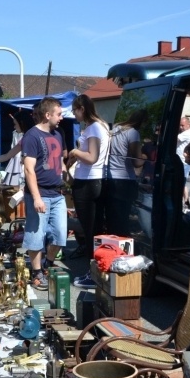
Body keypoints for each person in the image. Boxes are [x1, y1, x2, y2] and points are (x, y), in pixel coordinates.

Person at [21, 97, 68, 291]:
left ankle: (47, 263)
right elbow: (29, 169)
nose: (61, 117)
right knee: (36, 236)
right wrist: (36, 198)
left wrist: (65, 174)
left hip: (57, 194)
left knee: (60, 235)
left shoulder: (58, 134)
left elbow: (60, 160)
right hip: (40, 193)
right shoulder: (31, 136)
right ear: (48, 115)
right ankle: (37, 272)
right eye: (59, 114)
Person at [66, 94, 110, 289]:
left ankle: (94, 274)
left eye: (75, 110)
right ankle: (97, 271)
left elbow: (92, 157)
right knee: (95, 229)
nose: (74, 115)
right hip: (95, 180)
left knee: (91, 230)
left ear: (82, 109)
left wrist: (75, 152)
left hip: (88, 182)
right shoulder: (101, 126)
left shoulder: (93, 128)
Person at [104, 109, 146, 237]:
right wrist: (145, 156)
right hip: (125, 179)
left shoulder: (116, 130)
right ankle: (123, 244)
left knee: (113, 217)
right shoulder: (133, 133)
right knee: (123, 218)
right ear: (142, 122)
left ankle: (111, 243)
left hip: (110, 177)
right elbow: (136, 162)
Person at [176, 117, 190, 208]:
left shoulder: (187, 133)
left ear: (188, 124)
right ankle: (186, 201)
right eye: (180, 125)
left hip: (183, 161)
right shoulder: (187, 132)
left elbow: (174, 139)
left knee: (181, 182)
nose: (181, 127)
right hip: (183, 161)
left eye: (182, 125)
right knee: (182, 183)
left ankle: (184, 202)